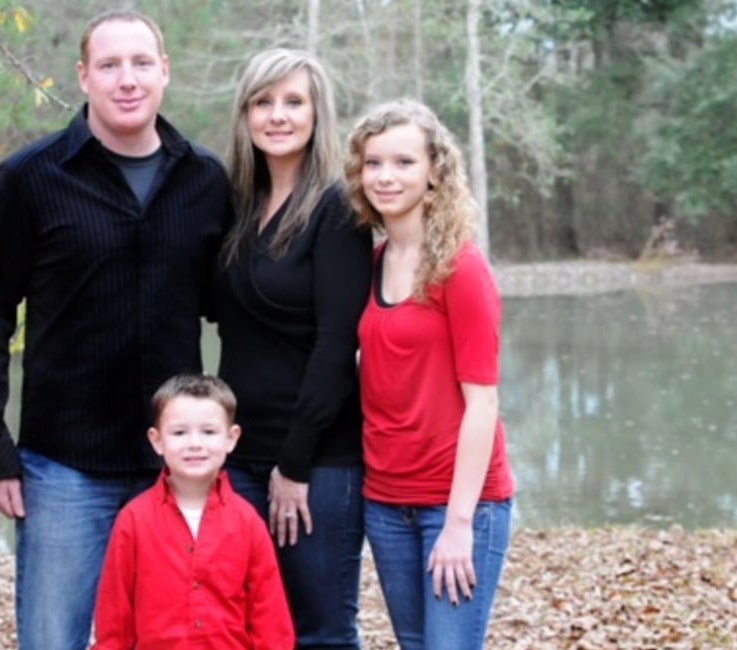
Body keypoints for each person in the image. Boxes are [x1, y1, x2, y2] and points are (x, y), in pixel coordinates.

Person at [0, 10, 231, 649]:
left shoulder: (205, 179)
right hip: (64, 466)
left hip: (174, 465)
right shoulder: (30, 178)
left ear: (164, 71)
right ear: (83, 76)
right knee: (53, 638)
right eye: (109, 65)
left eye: (141, 63)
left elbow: (233, 308)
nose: (127, 79)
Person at [213, 48, 372, 648]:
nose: (277, 115)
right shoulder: (237, 207)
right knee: (250, 628)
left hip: (318, 461)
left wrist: (294, 466)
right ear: (245, 114)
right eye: (263, 102)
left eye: (293, 102)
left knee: (321, 633)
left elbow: (336, 347)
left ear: (316, 113)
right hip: (239, 453)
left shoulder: (338, 210)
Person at [345, 99, 515, 650]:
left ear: (434, 172)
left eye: (403, 162)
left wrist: (459, 523)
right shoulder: (372, 262)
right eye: (373, 163)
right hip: (385, 501)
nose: (385, 177)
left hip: (458, 503)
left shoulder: (460, 269)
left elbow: (483, 403)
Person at [92, 374, 295, 649]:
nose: (195, 443)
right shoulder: (133, 519)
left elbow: (270, 618)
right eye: (179, 433)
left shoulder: (248, 522)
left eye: (209, 432)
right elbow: (115, 618)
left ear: (231, 438)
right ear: (157, 440)